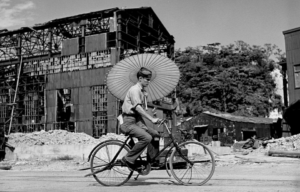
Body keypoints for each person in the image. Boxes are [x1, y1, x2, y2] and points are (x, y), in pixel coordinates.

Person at [120, 67, 161, 171]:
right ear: (140, 78)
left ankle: (151, 160)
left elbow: (144, 108)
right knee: (147, 138)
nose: (149, 81)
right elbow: (138, 108)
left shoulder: (142, 91)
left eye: (149, 79)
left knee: (155, 134)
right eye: (147, 79)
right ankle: (128, 159)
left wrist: (146, 98)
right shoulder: (135, 90)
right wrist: (152, 119)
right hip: (129, 121)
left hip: (137, 121)